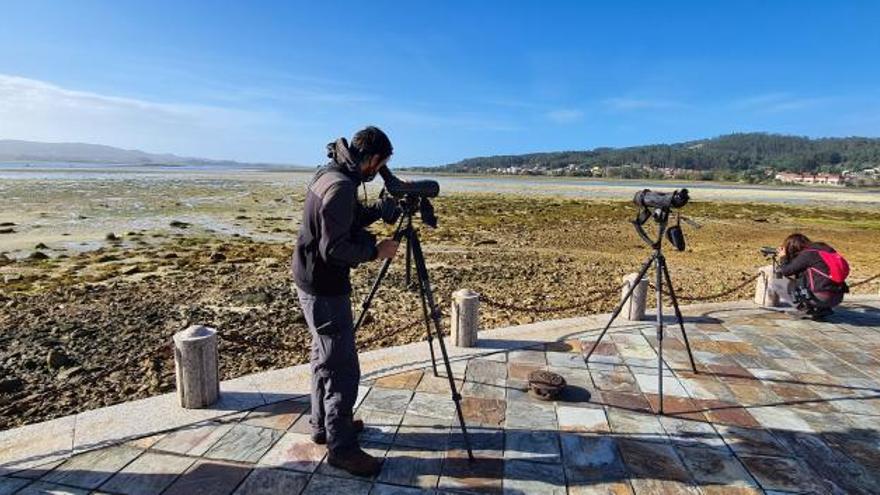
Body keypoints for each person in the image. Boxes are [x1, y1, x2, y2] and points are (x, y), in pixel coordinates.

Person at [292, 126, 400, 476]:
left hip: (310, 279)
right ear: (371, 159)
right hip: (324, 287)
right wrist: (376, 250)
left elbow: (341, 219)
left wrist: (375, 211)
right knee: (341, 366)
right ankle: (341, 448)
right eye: (380, 164)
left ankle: (323, 425)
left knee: (323, 355)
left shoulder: (334, 172)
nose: (378, 171)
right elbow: (334, 247)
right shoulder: (341, 185)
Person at [774, 233, 849, 320]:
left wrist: (783, 257)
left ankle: (805, 309)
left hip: (820, 298)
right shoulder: (824, 250)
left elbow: (785, 271)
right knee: (815, 281)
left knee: (777, 281)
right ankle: (822, 309)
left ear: (792, 247)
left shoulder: (808, 254)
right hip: (838, 298)